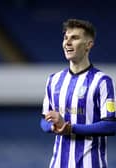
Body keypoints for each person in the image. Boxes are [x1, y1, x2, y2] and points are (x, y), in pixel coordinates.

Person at [40, 18, 116, 168]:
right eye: (65, 38)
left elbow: (111, 126)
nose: (67, 42)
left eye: (74, 38)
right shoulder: (53, 80)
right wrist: (53, 127)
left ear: (88, 45)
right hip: (58, 164)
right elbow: (43, 120)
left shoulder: (102, 81)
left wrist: (71, 128)